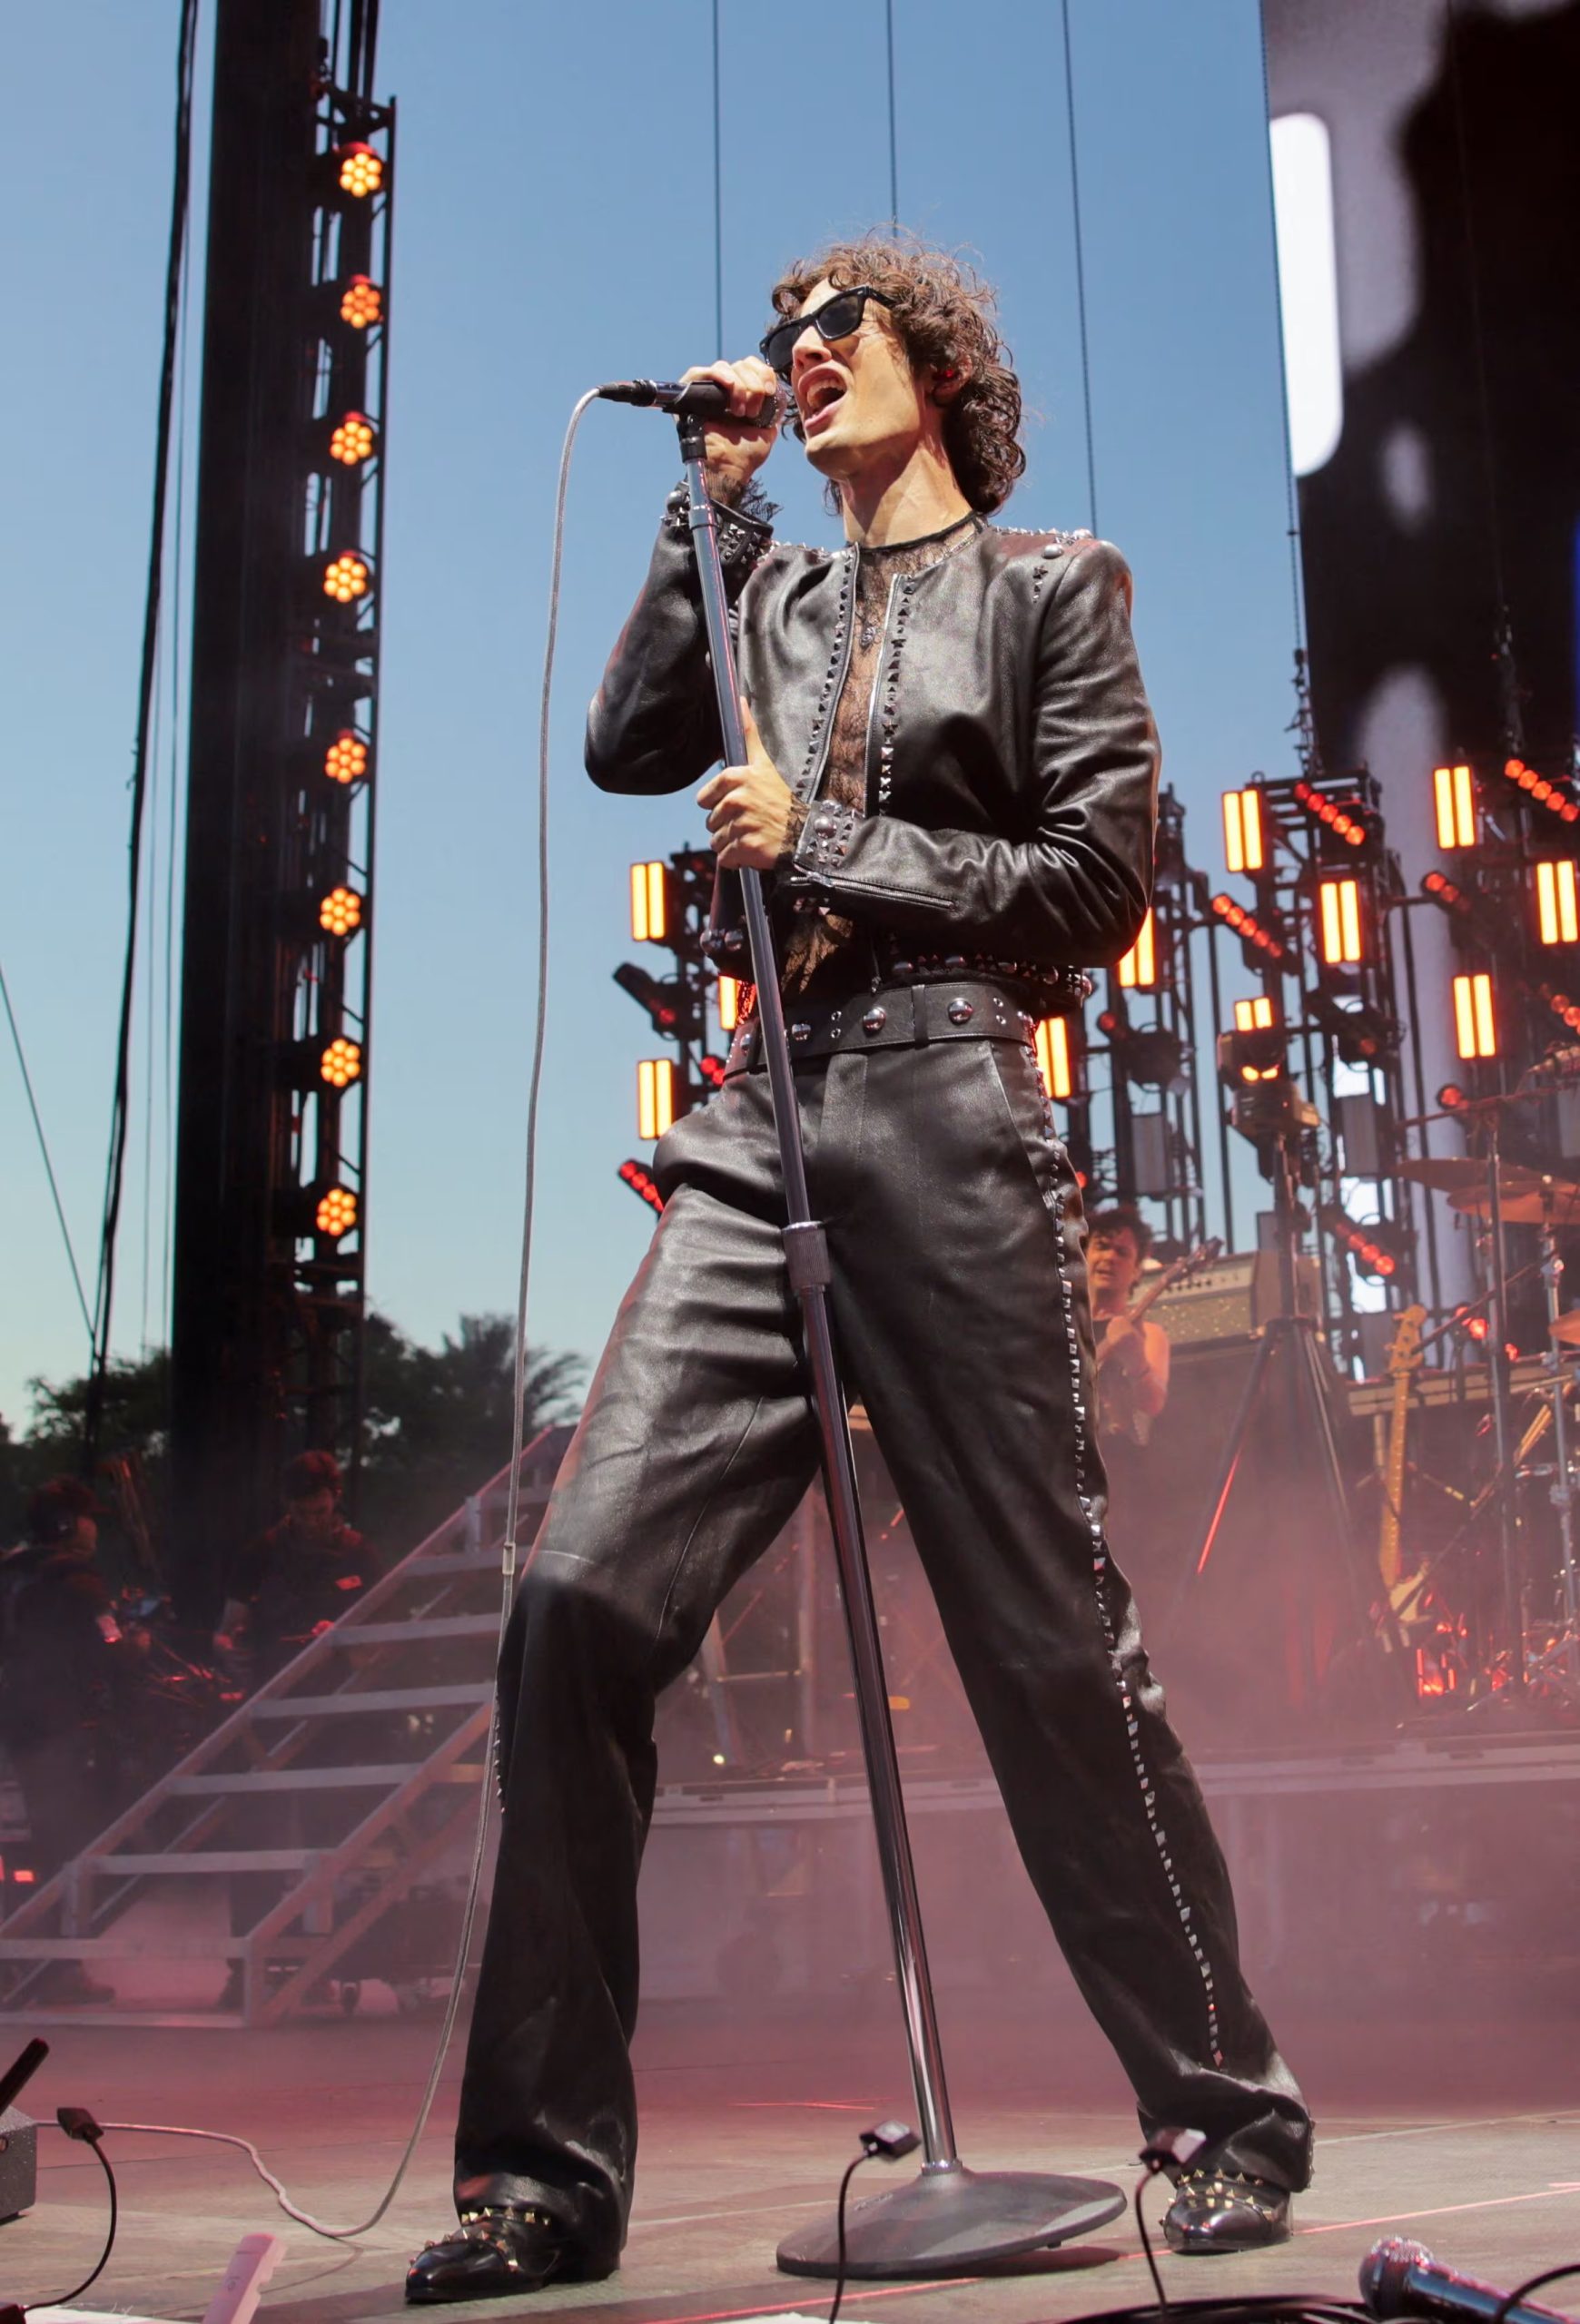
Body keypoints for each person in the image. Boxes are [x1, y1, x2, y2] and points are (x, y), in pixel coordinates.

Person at [407, 235, 1311, 2303]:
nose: (801, 357)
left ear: (940, 368)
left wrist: (823, 839)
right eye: (784, 336)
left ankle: (1224, 2102)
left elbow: (1092, 882)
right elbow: (629, 742)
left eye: (842, 333)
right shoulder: (773, 588)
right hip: (759, 1114)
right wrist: (707, 500)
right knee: (569, 1607)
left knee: (1040, 1628)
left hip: (944, 1093)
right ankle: (542, 2172)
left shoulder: (1051, 590)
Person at [0, 1477, 143, 2000]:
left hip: (13, 1727)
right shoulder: (78, 1580)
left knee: (27, 1844)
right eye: (89, 1518)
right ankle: (58, 1970)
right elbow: (112, 1644)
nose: (95, 1528)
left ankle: (23, 1964)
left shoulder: (10, 1574)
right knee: (72, 1845)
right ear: (68, 1524)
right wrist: (138, 1645)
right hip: (59, 1730)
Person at [214, 1451, 379, 1685]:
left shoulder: (360, 1553)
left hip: (342, 1688)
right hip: (274, 1685)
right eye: (301, 1512)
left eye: (320, 1511)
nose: (311, 1521)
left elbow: (387, 1626)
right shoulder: (260, 1553)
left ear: (336, 1497)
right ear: (286, 1502)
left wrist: (342, 1634)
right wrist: (229, 1650)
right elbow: (226, 1632)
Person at [1090, 1204, 1171, 1446]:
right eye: (1101, 1247)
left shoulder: (1149, 1334)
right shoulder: (1057, 1325)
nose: (1109, 1257)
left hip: (1120, 1465)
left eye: (1122, 1252)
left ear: (1137, 1271)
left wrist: (1135, 1358)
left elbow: (1153, 1404)